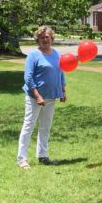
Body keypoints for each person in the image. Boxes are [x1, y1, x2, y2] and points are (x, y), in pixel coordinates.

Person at [17, 26, 66, 168]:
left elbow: (60, 73)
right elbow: (28, 77)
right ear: (37, 39)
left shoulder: (56, 54)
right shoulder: (33, 55)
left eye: (48, 37)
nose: (45, 39)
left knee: (45, 127)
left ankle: (43, 155)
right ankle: (21, 159)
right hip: (34, 97)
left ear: (52, 38)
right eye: (42, 37)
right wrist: (37, 95)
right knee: (29, 126)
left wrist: (63, 91)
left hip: (51, 97)